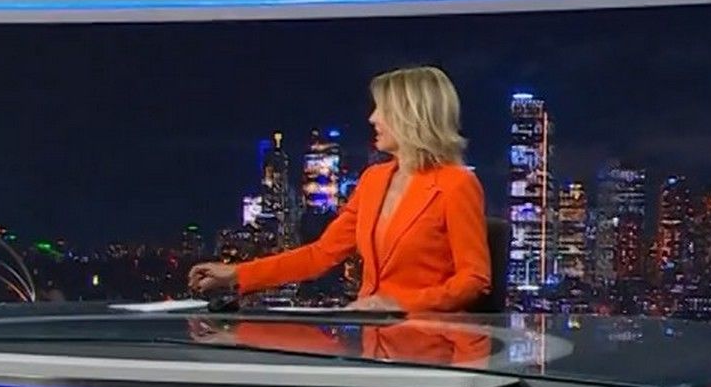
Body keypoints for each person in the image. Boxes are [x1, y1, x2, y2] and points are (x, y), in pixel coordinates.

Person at [188, 65, 491, 312]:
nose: (373, 118)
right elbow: (321, 255)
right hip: (374, 340)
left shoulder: (456, 184)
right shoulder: (373, 180)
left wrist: (399, 304)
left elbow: (474, 279)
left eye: (382, 110)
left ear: (411, 116)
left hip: (431, 344)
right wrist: (236, 274)